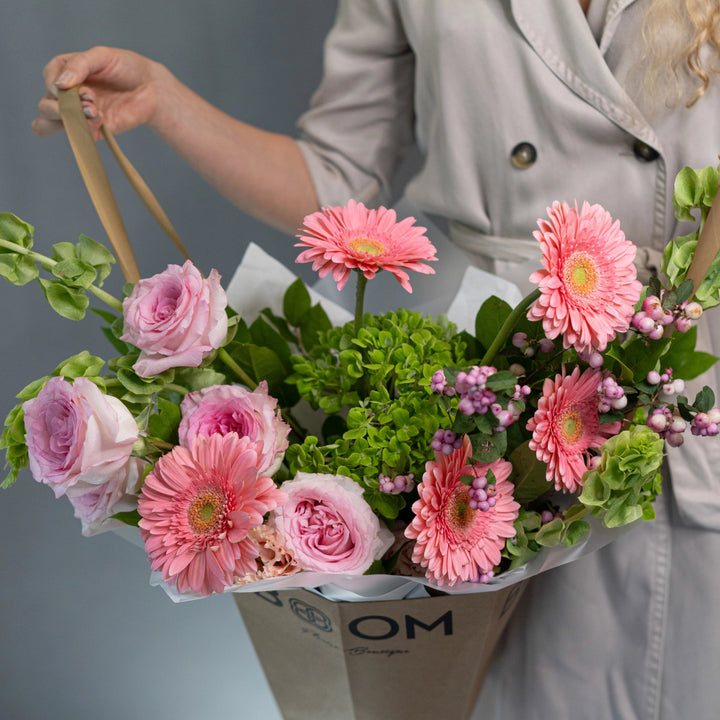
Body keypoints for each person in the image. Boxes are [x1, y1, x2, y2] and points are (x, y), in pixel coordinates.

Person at [34, 1, 720, 718]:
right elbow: (336, 181)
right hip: (479, 386)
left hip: (666, 372)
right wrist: (164, 102)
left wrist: (667, 319)